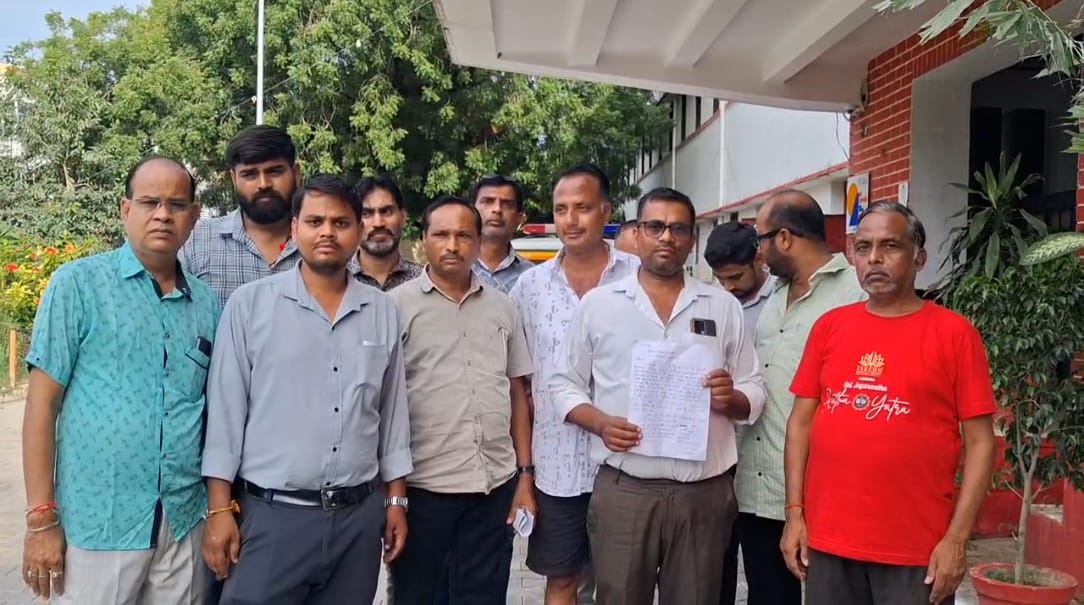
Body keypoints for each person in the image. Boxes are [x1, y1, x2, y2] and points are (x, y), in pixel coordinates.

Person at [200, 174, 413, 604]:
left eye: (341, 222)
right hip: (272, 516)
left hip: (356, 522)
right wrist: (220, 509)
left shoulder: (381, 311)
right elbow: (224, 415)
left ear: (358, 230)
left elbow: (392, 416)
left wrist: (396, 502)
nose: (327, 232)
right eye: (315, 222)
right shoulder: (250, 305)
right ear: (295, 228)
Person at [550, 187, 767, 605]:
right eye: (655, 226)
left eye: (678, 228)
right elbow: (563, 383)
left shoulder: (721, 306)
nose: (667, 237)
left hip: (702, 493)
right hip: (625, 489)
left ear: (692, 239)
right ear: (637, 234)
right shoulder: (600, 305)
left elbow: (754, 385)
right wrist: (600, 423)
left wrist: (733, 398)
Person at [21, 156, 219, 604]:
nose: (163, 215)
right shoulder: (78, 285)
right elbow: (41, 407)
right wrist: (41, 519)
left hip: (183, 522)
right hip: (99, 523)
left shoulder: (207, 304)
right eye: (150, 202)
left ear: (194, 216)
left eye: (176, 205)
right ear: (126, 210)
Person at [781, 202, 997, 605]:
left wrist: (957, 538)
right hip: (829, 543)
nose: (874, 259)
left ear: (919, 258)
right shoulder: (829, 328)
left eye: (890, 246)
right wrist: (795, 513)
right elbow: (800, 424)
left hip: (916, 550)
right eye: (863, 248)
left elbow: (981, 442)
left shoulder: (955, 334)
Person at [389, 196, 536, 605]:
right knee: (420, 596)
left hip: (493, 489)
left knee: (485, 596)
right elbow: (384, 404)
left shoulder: (503, 306)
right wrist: (394, 496)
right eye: (441, 235)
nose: (452, 245)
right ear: (423, 240)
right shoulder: (395, 307)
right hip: (424, 491)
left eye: (464, 235)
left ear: (478, 241)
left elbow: (516, 393)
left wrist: (525, 476)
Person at [510, 164, 639, 605]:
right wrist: (525, 473)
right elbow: (519, 387)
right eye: (561, 209)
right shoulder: (529, 287)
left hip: (627, 462)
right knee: (562, 581)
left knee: (626, 584)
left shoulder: (639, 277)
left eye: (582, 207)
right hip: (556, 467)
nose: (571, 219)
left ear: (606, 211)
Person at [732, 189, 867, 605]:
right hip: (757, 487)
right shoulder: (774, 294)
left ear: (785, 238)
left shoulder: (855, 294)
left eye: (760, 240)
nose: (758, 254)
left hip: (821, 492)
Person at [180, 125, 302, 305]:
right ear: (234, 179)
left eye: (274, 171)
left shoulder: (323, 243)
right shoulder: (197, 241)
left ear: (296, 174)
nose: (264, 184)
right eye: (250, 174)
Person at [354, 175, 423, 290]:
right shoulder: (336, 280)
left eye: (386, 211)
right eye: (366, 213)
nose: (378, 223)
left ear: (403, 217)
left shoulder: (425, 282)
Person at [704, 220, 776, 328]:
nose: (728, 287)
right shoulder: (713, 297)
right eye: (720, 279)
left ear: (759, 260)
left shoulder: (782, 297)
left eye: (736, 277)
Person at [471, 175, 533, 292]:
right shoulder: (452, 270)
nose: (497, 209)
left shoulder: (532, 278)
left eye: (507, 204)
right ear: (471, 212)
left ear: (519, 218)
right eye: (488, 202)